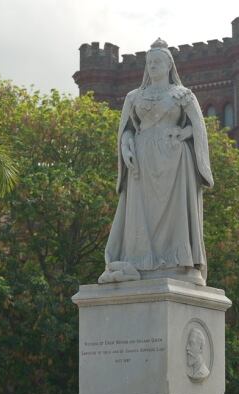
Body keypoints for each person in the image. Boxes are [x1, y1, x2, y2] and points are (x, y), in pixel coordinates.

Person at [98, 38, 213, 285]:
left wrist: (185, 134)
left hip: (174, 160)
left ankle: (179, 263)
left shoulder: (184, 95)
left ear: (169, 65)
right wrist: (126, 144)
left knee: (175, 218)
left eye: (157, 61)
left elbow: (199, 129)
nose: (152, 66)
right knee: (141, 213)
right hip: (141, 161)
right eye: (149, 62)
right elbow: (127, 129)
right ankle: (140, 262)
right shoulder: (133, 97)